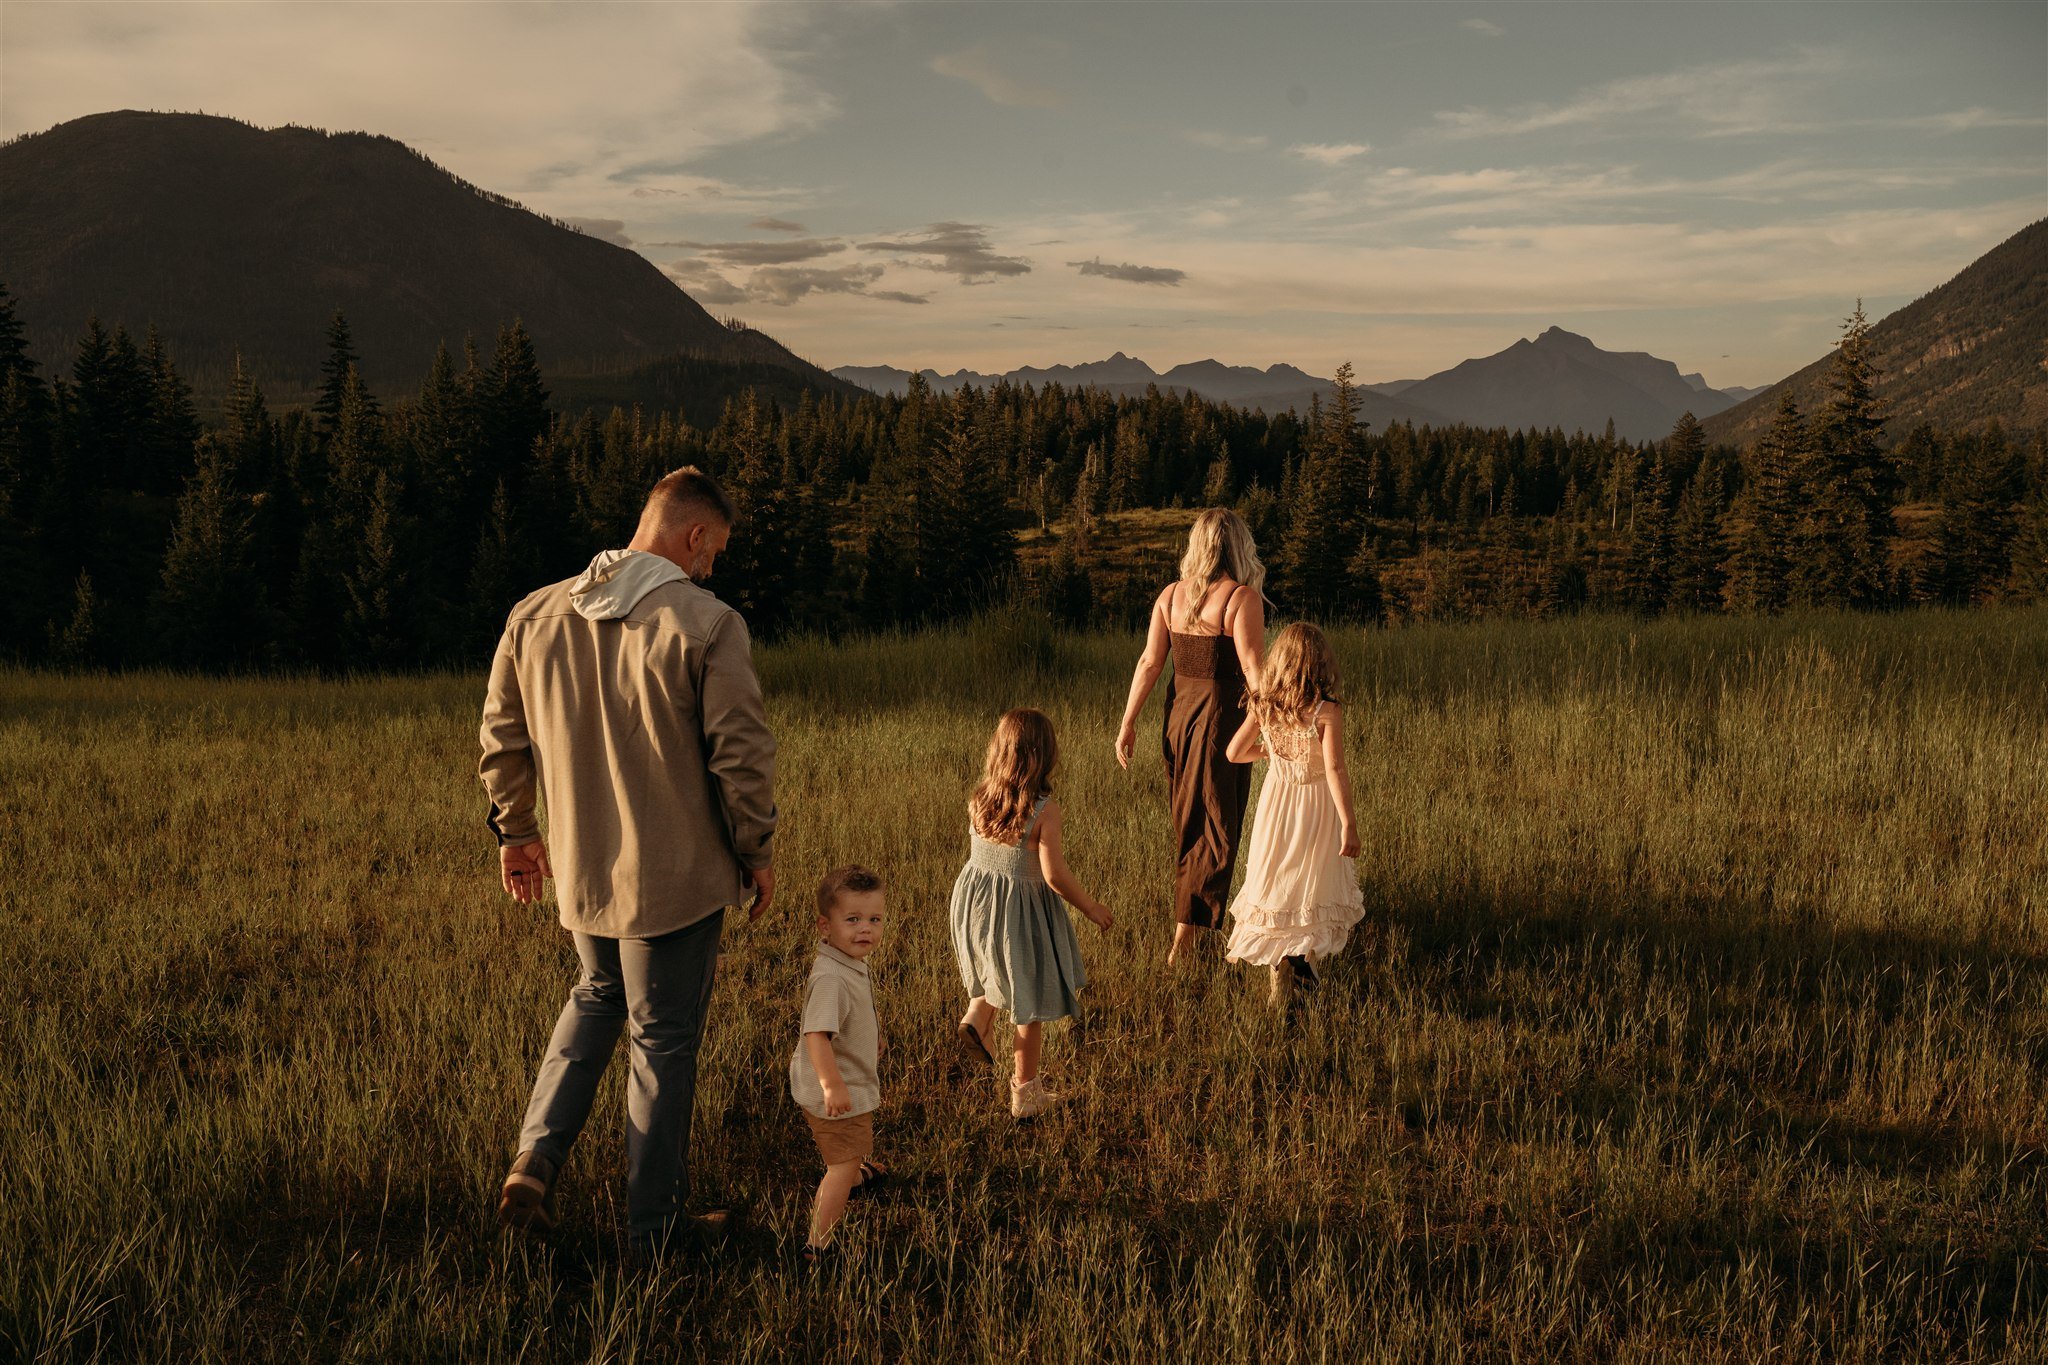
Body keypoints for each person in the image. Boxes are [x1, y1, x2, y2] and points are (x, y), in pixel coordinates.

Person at [479, 466, 777, 1256]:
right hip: (676, 881)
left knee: (598, 991)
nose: (710, 567)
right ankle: (655, 1228)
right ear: (694, 535)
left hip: (582, 872)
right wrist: (757, 850)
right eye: (713, 552)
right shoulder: (707, 623)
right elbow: (742, 756)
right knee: (663, 1037)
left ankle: (533, 1163)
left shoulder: (534, 614)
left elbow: (502, 739)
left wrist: (516, 832)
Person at [1114, 508, 1267, 967]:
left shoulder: (1170, 596)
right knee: (1217, 826)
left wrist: (1128, 722)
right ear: (1238, 547)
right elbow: (1254, 672)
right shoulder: (1240, 599)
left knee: (1192, 821)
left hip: (1178, 717)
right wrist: (1278, 725)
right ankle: (1185, 939)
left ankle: (1193, 930)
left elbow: (1149, 662)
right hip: (1221, 723)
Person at [952, 709, 1113, 1119]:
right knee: (1030, 1000)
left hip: (976, 906)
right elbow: (1054, 876)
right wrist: (1091, 907)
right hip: (1018, 915)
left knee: (995, 967)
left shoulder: (980, 797)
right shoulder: (1044, 811)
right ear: (1045, 756)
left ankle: (977, 1015)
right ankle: (1025, 1093)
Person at [1221, 623, 1364, 1008]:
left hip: (1277, 805)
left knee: (1279, 885)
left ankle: (1278, 982)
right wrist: (1348, 823)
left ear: (1279, 661)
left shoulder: (1265, 705)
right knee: (1310, 889)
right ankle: (1304, 971)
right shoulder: (1326, 710)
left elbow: (1234, 752)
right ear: (1320, 662)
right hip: (1316, 808)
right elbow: (1334, 769)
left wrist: (1269, 752)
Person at [789, 865, 888, 1266]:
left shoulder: (845, 961)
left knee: (850, 1150)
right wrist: (832, 1085)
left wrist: (870, 1035)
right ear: (824, 926)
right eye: (853, 919)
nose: (866, 929)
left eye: (874, 919)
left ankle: (857, 1173)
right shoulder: (832, 978)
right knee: (839, 1165)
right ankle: (818, 1246)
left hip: (841, 1080)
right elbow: (817, 1035)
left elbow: (845, 1018)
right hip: (835, 1088)